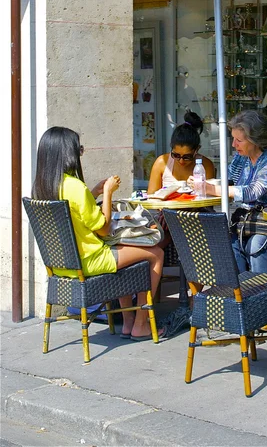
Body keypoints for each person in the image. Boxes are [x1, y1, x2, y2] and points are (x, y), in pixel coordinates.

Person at [32, 127, 167, 341]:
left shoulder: (43, 187)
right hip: (90, 261)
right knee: (156, 253)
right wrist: (107, 193)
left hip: (61, 266)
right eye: (79, 149)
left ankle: (128, 321)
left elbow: (78, 214)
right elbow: (103, 228)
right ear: (68, 153)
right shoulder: (75, 187)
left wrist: (93, 192)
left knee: (130, 257)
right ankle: (141, 324)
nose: (80, 154)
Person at [192, 110, 267, 274]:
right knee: (228, 241)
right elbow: (227, 182)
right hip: (252, 220)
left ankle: (262, 293)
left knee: (256, 244)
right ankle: (241, 291)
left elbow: (253, 192)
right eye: (233, 139)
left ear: (256, 140)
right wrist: (202, 184)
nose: (234, 144)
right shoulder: (241, 158)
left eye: (239, 140)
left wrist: (212, 189)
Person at [147, 111, 215, 194]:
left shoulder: (206, 165)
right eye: (176, 155)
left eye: (187, 157)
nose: (181, 161)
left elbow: (208, 199)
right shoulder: (161, 163)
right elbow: (151, 197)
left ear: (197, 150)